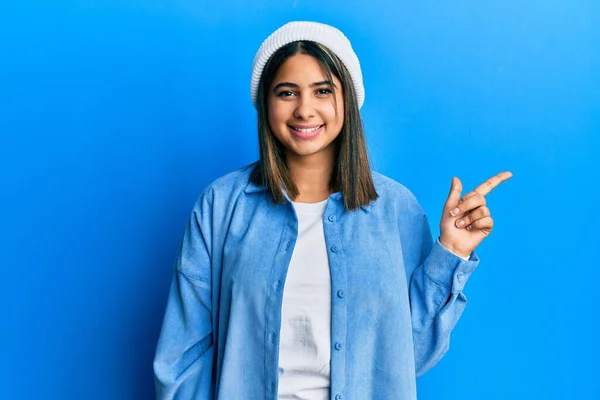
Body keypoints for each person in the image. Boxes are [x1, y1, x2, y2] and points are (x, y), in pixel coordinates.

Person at [153, 20, 512, 400]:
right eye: (287, 92)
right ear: (266, 104)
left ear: (347, 100)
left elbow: (409, 357)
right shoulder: (221, 206)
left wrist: (451, 252)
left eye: (322, 91)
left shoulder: (394, 209)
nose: (304, 109)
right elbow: (181, 356)